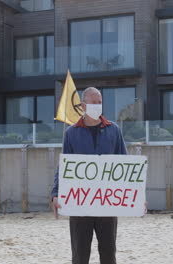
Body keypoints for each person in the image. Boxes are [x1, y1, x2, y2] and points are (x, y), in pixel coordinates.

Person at [51, 87, 127, 264]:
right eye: (94, 102)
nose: (98, 106)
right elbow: (64, 167)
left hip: (107, 203)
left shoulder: (114, 130)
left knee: (108, 253)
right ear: (83, 105)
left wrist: (137, 195)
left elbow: (125, 165)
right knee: (80, 255)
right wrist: (55, 193)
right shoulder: (71, 133)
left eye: (100, 102)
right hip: (79, 204)